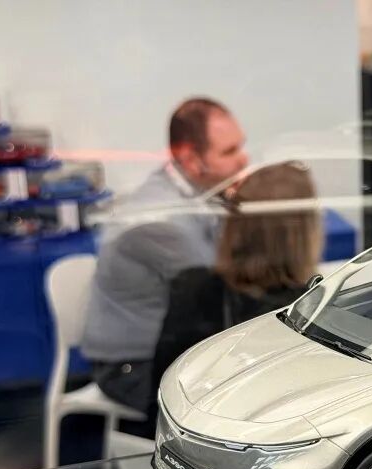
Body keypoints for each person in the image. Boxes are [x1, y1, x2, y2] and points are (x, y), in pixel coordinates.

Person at [81, 98, 249, 429]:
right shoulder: (164, 219)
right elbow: (220, 284)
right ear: (190, 158)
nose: (243, 159)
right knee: (245, 403)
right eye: (229, 151)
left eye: (240, 146)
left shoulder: (197, 191)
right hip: (132, 366)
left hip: (168, 346)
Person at [152, 161, 321, 390]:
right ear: (303, 234)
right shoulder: (309, 311)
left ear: (235, 224)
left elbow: (164, 383)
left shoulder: (192, 286)